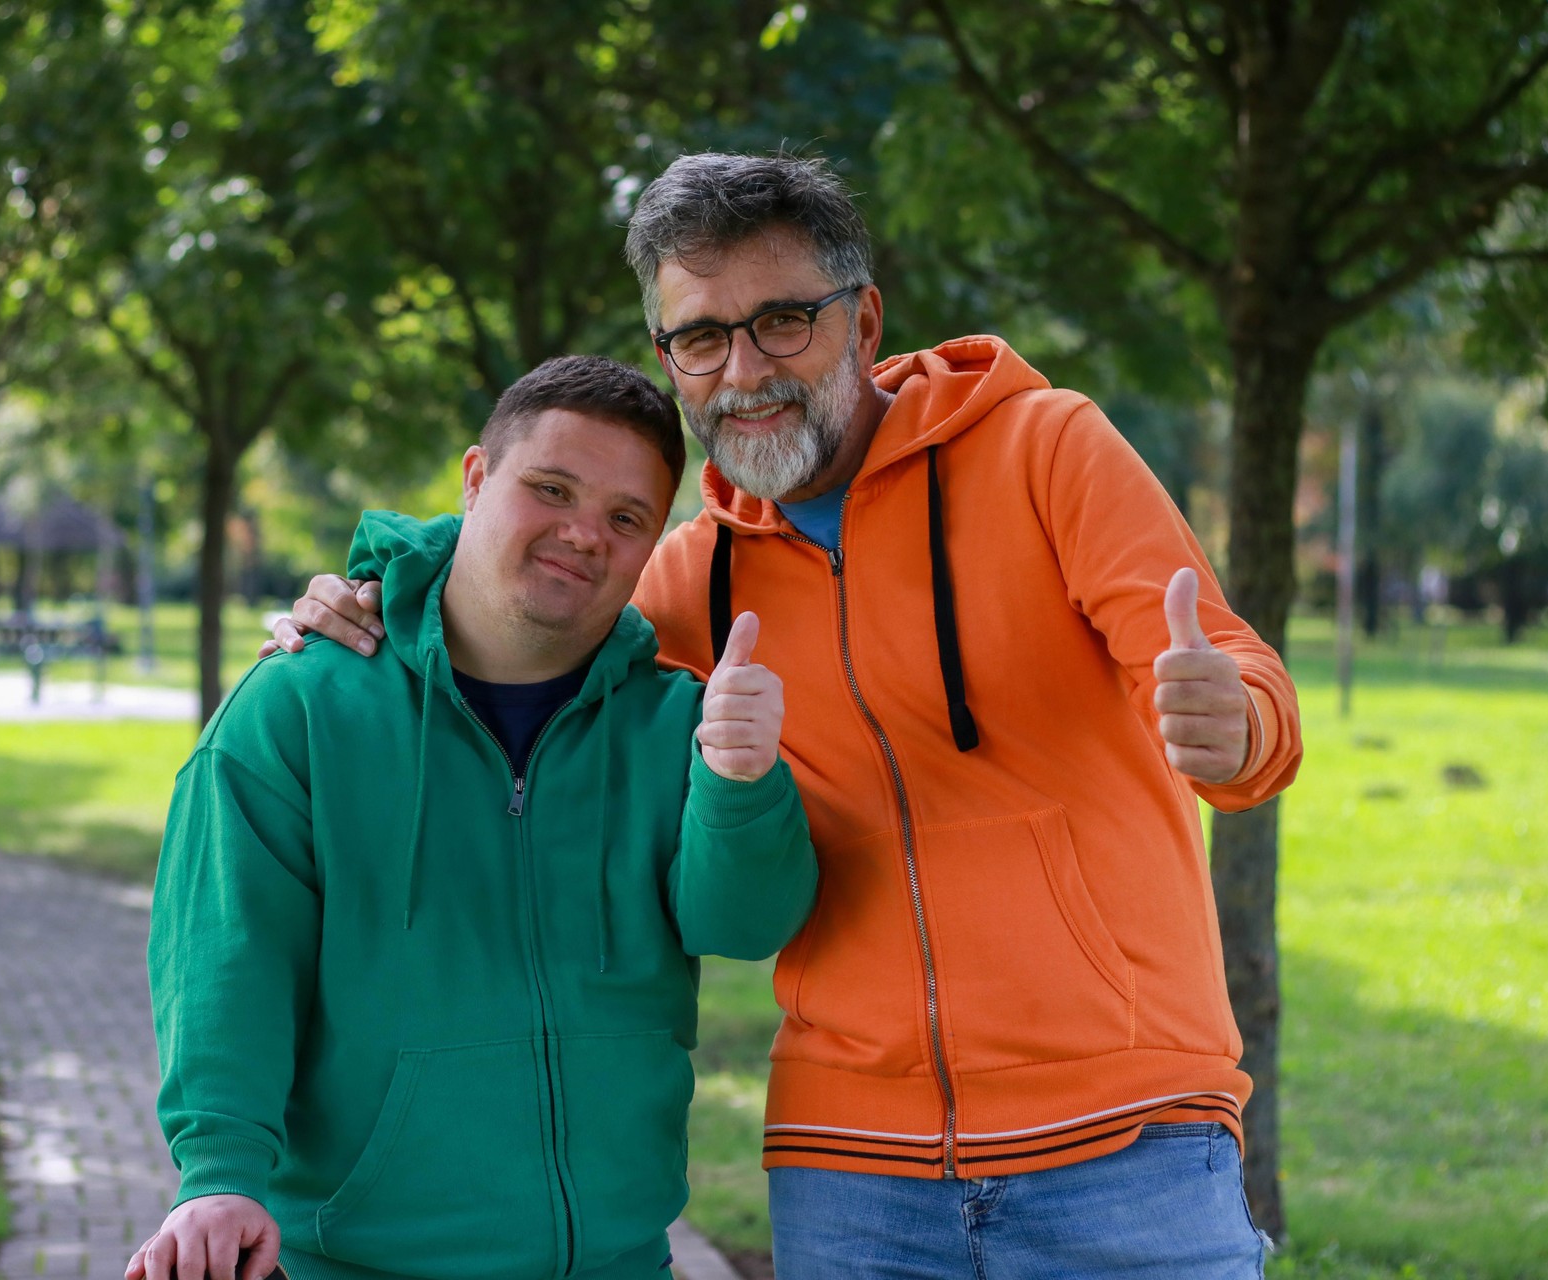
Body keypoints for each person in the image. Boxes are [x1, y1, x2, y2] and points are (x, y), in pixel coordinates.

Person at [270, 154, 1302, 1278]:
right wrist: (378, 586)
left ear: (862, 321)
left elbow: (1240, 684)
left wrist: (1234, 724)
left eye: (782, 322)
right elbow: (517, 598)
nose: (744, 370)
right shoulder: (690, 577)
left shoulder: (1044, 449)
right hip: (850, 1170)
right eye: (700, 337)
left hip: (1127, 1141)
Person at [135, 354, 816, 1280]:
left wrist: (741, 779)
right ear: (475, 478)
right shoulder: (296, 709)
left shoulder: (671, 722)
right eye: (552, 488)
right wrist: (217, 1175)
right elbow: (229, 957)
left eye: (625, 519)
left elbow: (742, 923)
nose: (584, 534)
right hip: (356, 1263)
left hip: (618, 1263)